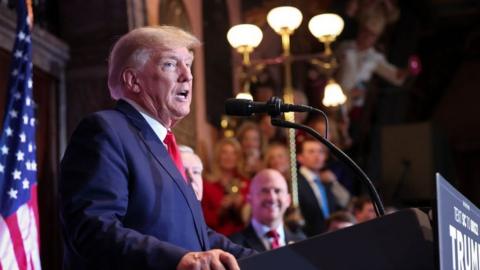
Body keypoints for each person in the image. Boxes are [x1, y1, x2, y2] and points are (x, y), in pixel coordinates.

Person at [59, 26, 255, 270]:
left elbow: (195, 236)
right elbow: (93, 227)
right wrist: (176, 260)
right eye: (171, 65)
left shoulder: (161, 143)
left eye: (189, 65)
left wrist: (269, 259)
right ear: (133, 80)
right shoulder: (105, 130)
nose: (188, 76)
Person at [229, 169, 306, 252]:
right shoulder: (233, 247)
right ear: (249, 199)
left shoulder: (302, 244)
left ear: (288, 200)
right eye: (264, 191)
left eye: (277, 191)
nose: (272, 198)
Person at [296, 138, 351, 236]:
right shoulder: (295, 183)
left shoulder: (326, 181)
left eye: (320, 151)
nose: (317, 156)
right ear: (300, 157)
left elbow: (345, 201)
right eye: (311, 151)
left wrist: (334, 182)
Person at [202, 138, 250, 236]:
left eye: (234, 153)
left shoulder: (246, 183)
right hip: (218, 238)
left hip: (244, 238)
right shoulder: (207, 185)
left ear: (238, 157)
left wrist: (241, 204)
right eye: (225, 152)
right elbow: (204, 219)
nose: (229, 157)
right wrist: (221, 210)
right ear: (218, 156)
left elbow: (254, 215)